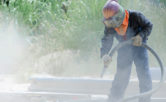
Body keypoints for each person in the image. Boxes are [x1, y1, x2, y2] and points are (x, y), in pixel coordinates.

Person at [100, 0, 153, 102]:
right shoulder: (110, 25)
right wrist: (104, 54)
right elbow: (107, 40)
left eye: (111, 22)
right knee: (121, 76)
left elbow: (149, 26)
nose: (110, 25)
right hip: (123, 48)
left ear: (119, 17)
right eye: (108, 22)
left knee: (144, 75)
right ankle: (114, 99)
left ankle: (145, 100)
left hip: (140, 47)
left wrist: (140, 36)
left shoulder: (136, 16)